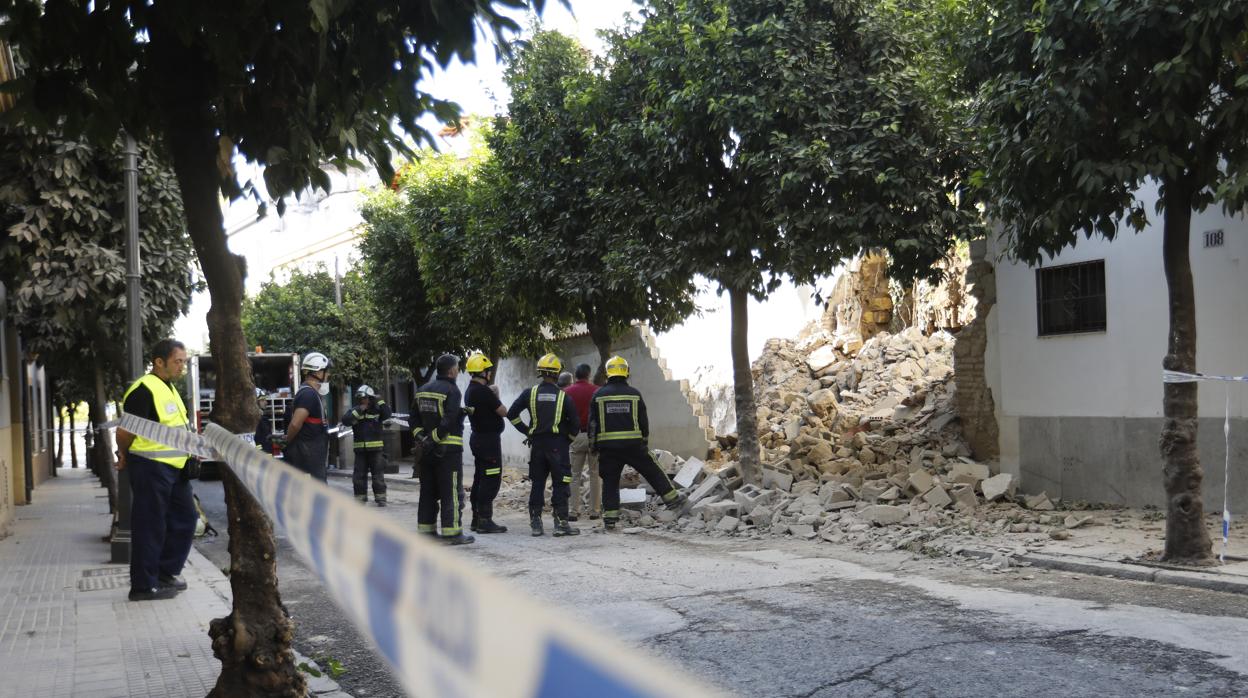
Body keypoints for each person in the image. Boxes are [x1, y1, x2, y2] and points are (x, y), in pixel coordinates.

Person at [115, 339, 197, 601]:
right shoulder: (143, 390)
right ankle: (143, 585)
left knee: (186, 520)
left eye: (184, 361)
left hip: (176, 468)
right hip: (151, 467)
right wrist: (124, 454)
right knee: (150, 526)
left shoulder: (170, 389)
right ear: (159, 362)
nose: (182, 366)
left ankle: (165, 572)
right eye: (178, 361)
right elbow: (125, 431)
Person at [589, 356, 686, 530]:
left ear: (607, 373)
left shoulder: (598, 395)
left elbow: (592, 424)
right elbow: (643, 421)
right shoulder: (634, 394)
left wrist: (594, 446)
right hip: (633, 445)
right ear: (626, 372)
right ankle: (673, 500)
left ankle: (610, 518)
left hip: (608, 448)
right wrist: (644, 441)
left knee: (610, 481)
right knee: (653, 471)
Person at [507, 353, 580, 537]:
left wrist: (527, 431)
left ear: (541, 373)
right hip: (558, 446)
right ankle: (561, 524)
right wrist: (567, 440)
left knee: (538, 484)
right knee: (560, 484)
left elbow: (512, 414)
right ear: (557, 374)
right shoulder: (564, 397)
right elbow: (575, 425)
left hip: (537, 445)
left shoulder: (529, 393)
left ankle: (536, 524)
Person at [414, 354, 473, 545]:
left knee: (428, 490)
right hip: (448, 451)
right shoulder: (452, 390)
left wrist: (423, 439)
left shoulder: (422, 390)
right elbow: (447, 420)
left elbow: (413, 419)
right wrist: (434, 439)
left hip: (426, 451)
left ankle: (426, 529)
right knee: (451, 492)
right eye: (457, 368)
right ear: (452, 371)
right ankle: (452, 533)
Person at [463, 353, 508, 534]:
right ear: (483, 372)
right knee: (490, 480)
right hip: (488, 442)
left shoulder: (470, 390)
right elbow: (503, 411)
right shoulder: (483, 391)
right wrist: (496, 396)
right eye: (488, 371)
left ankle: (476, 518)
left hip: (479, 439)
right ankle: (485, 520)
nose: (490, 374)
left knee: (480, 479)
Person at [284, 352, 332, 481]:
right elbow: (295, 424)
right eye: (326, 371)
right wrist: (287, 441)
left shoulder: (312, 394)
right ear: (317, 373)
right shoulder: (308, 394)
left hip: (312, 452)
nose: (328, 375)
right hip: (308, 453)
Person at [341, 384, 392, 506]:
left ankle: (381, 499)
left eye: (364, 398)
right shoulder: (355, 410)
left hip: (376, 450)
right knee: (359, 476)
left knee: (378, 476)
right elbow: (346, 420)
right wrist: (360, 409)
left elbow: (387, 414)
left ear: (370, 398)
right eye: (360, 398)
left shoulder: (377, 410)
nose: (362, 400)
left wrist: (380, 401)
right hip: (360, 450)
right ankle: (360, 499)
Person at [563, 363, 600, 522]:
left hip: (575, 436)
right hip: (593, 437)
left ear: (575, 375)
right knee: (595, 474)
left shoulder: (567, 392)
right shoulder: (597, 391)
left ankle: (573, 511)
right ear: (589, 375)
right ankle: (594, 511)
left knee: (574, 475)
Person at [253, 387, 273, 454]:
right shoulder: (256, 420)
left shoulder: (263, 418)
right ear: (255, 402)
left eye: (265, 400)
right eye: (262, 400)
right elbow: (257, 441)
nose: (266, 402)